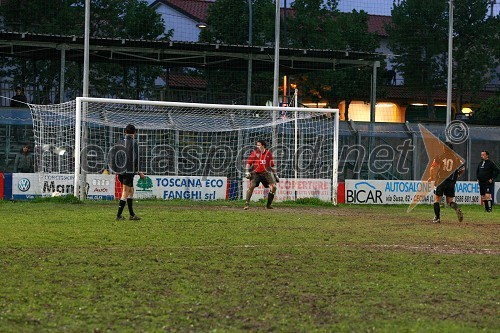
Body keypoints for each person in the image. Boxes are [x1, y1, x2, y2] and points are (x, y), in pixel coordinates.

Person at [110, 124, 145, 221]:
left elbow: (114, 157)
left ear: (125, 132)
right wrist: (139, 172)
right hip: (128, 171)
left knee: (131, 190)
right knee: (125, 191)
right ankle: (118, 215)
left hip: (120, 170)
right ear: (134, 133)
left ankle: (132, 214)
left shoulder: (119, 142)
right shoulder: (134, 143)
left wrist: (115, 169)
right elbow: (135, 159)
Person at [428, 142, 464, 223]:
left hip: (441, 180)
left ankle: (437, 218)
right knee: (450, 201)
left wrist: (431, 177)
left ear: (444, 148)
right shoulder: (457, 158)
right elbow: (462, 169)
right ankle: (457, 208)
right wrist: (457, 175)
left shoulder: (440, 156)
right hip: (451, 182)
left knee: (437, 200)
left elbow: (432, 168)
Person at [244, 140, 278, 210]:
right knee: (252, 186)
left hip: (266, 173)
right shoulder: (255, 153)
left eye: (259, 145)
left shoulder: (268, 153)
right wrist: (247, 172)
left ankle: (268, 205)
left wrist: (275, 175)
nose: (257, 146)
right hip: (256, 173)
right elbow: (248, 163)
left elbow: (272, 165)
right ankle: (246, 204)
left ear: (263, 146)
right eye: (257, 145)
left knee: (274, 187)